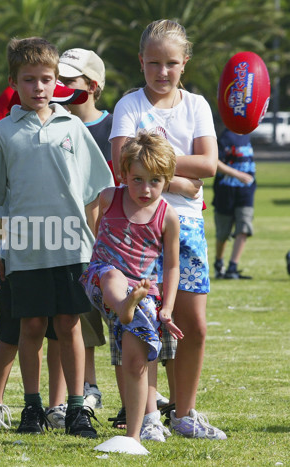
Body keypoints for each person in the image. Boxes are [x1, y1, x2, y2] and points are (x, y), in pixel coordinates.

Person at [0, 36, 114, 437]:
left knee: (69, 324)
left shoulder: (73, 126)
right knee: (31, 327)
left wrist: (100, 247)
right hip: (22, 251)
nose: (39, 87)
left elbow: (96, 193)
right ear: (13, 82)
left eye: (46, 79)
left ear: (58, 82)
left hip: (73, 247)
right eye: (29, 79)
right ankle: (32, 408)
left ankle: (74, 410)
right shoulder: (1, 133)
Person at [110, 19, 226, 440]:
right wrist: (175, 178)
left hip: (188, 224)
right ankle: (151, 416)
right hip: (140, 226)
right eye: (153, 63)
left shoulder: (196, 106)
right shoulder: (129, 106)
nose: (162, 72)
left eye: (171, 63)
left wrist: (153, 164)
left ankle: (185, 413)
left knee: (192, 323)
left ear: (185, 63)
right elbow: (123, 164)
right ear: (141, 61)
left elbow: (209, 165)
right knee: (145, 320)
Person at [81, 132, 182, 451]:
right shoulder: (109, 196)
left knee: (136, 360)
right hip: (101, 279)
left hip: (142, 293)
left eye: (155, 180)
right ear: (123, 173)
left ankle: (134, 435)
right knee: (113, 275)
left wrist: (166, 308)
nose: (146, 189)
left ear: (167, 180)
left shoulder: (168, 216)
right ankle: (124, 304)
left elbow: (172, 266)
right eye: (137, 179)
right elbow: (96, 227)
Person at [58, 47, 113, 413]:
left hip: (117, 240)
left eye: (68, 80)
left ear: (92, 85)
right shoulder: (55, 124)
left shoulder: (114, 126)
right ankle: (89, 386)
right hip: (76, 242)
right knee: (83, 318)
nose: (59, 86)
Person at [212, 128, 256, 280]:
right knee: (223, 234)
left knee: (244, 228)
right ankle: (219, 263)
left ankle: (233, 267)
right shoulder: (225, 137)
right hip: (226, 191)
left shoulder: (247, 135)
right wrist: (237, 175)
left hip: (245, 192)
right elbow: (214, 162)